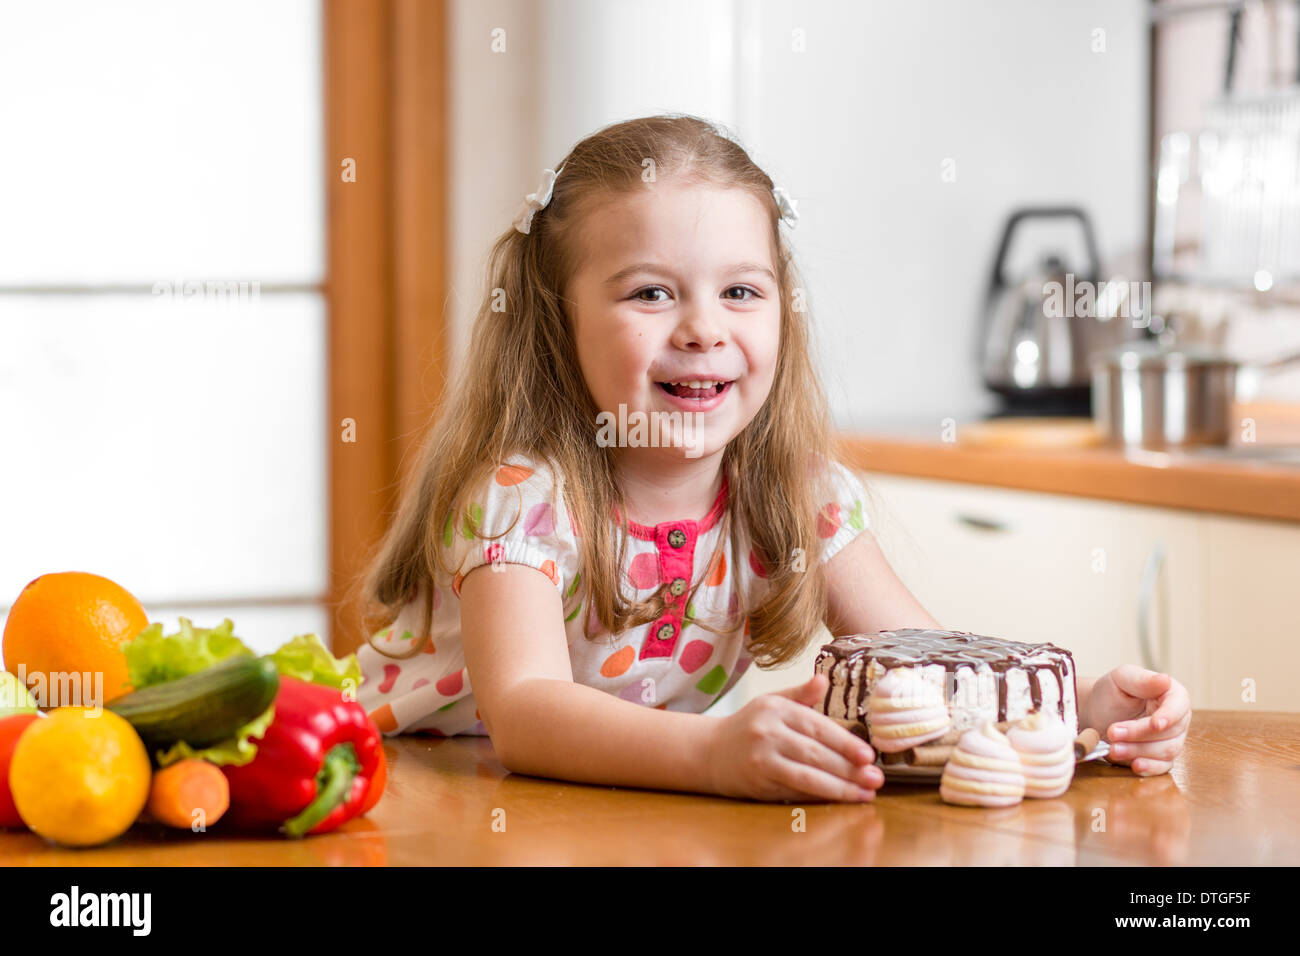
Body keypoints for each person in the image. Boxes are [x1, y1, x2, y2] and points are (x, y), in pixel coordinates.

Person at [354, 114, 1190, 802]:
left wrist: (1073, 713)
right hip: (430, 797)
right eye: (651, 292)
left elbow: (925, 668)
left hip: (603, 809)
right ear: (554, 321)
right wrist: (712, 756)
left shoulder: (796, 498)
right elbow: (528, 715)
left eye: (741, 291)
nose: (704, 328)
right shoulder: (523, 499)